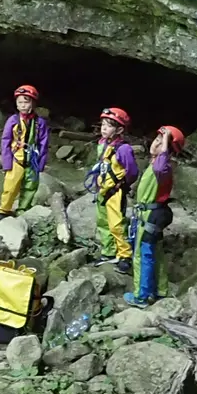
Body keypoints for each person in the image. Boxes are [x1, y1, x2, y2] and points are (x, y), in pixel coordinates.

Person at [125, 126, 184, 307]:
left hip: (149, 216)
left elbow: (162, 161)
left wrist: (166, 142)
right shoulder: (157, 164)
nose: (156, 143)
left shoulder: (163, 166)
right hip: (153, 214)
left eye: (161, 142)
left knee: (143, 256)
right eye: (156, 139)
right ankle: (160, 290)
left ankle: (141, 296)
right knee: (155, 253)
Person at [85, 107, 138, 272]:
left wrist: (122, 184)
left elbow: (132, 171)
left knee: (117, 224)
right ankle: (108, 251)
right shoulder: (103, 144)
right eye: (103, 125)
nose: (104, 129)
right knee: (102, 222)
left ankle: (124, 255)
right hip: (102, 189)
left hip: (115, 191)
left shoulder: (123, 149)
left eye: (108, 126)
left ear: (120, 129)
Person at [0, 84, 50, 215]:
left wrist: (41, 164)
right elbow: (6, 141)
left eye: (26, 102)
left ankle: (23, 209)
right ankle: (4, 209)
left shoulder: (40, 123)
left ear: (33, 103)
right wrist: (7, 162)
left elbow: (43, 143)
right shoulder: (13, 120)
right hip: (16, 158)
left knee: (30, 186)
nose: (22, 105)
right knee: (10, 186)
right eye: (19, 102)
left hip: (33, 160)